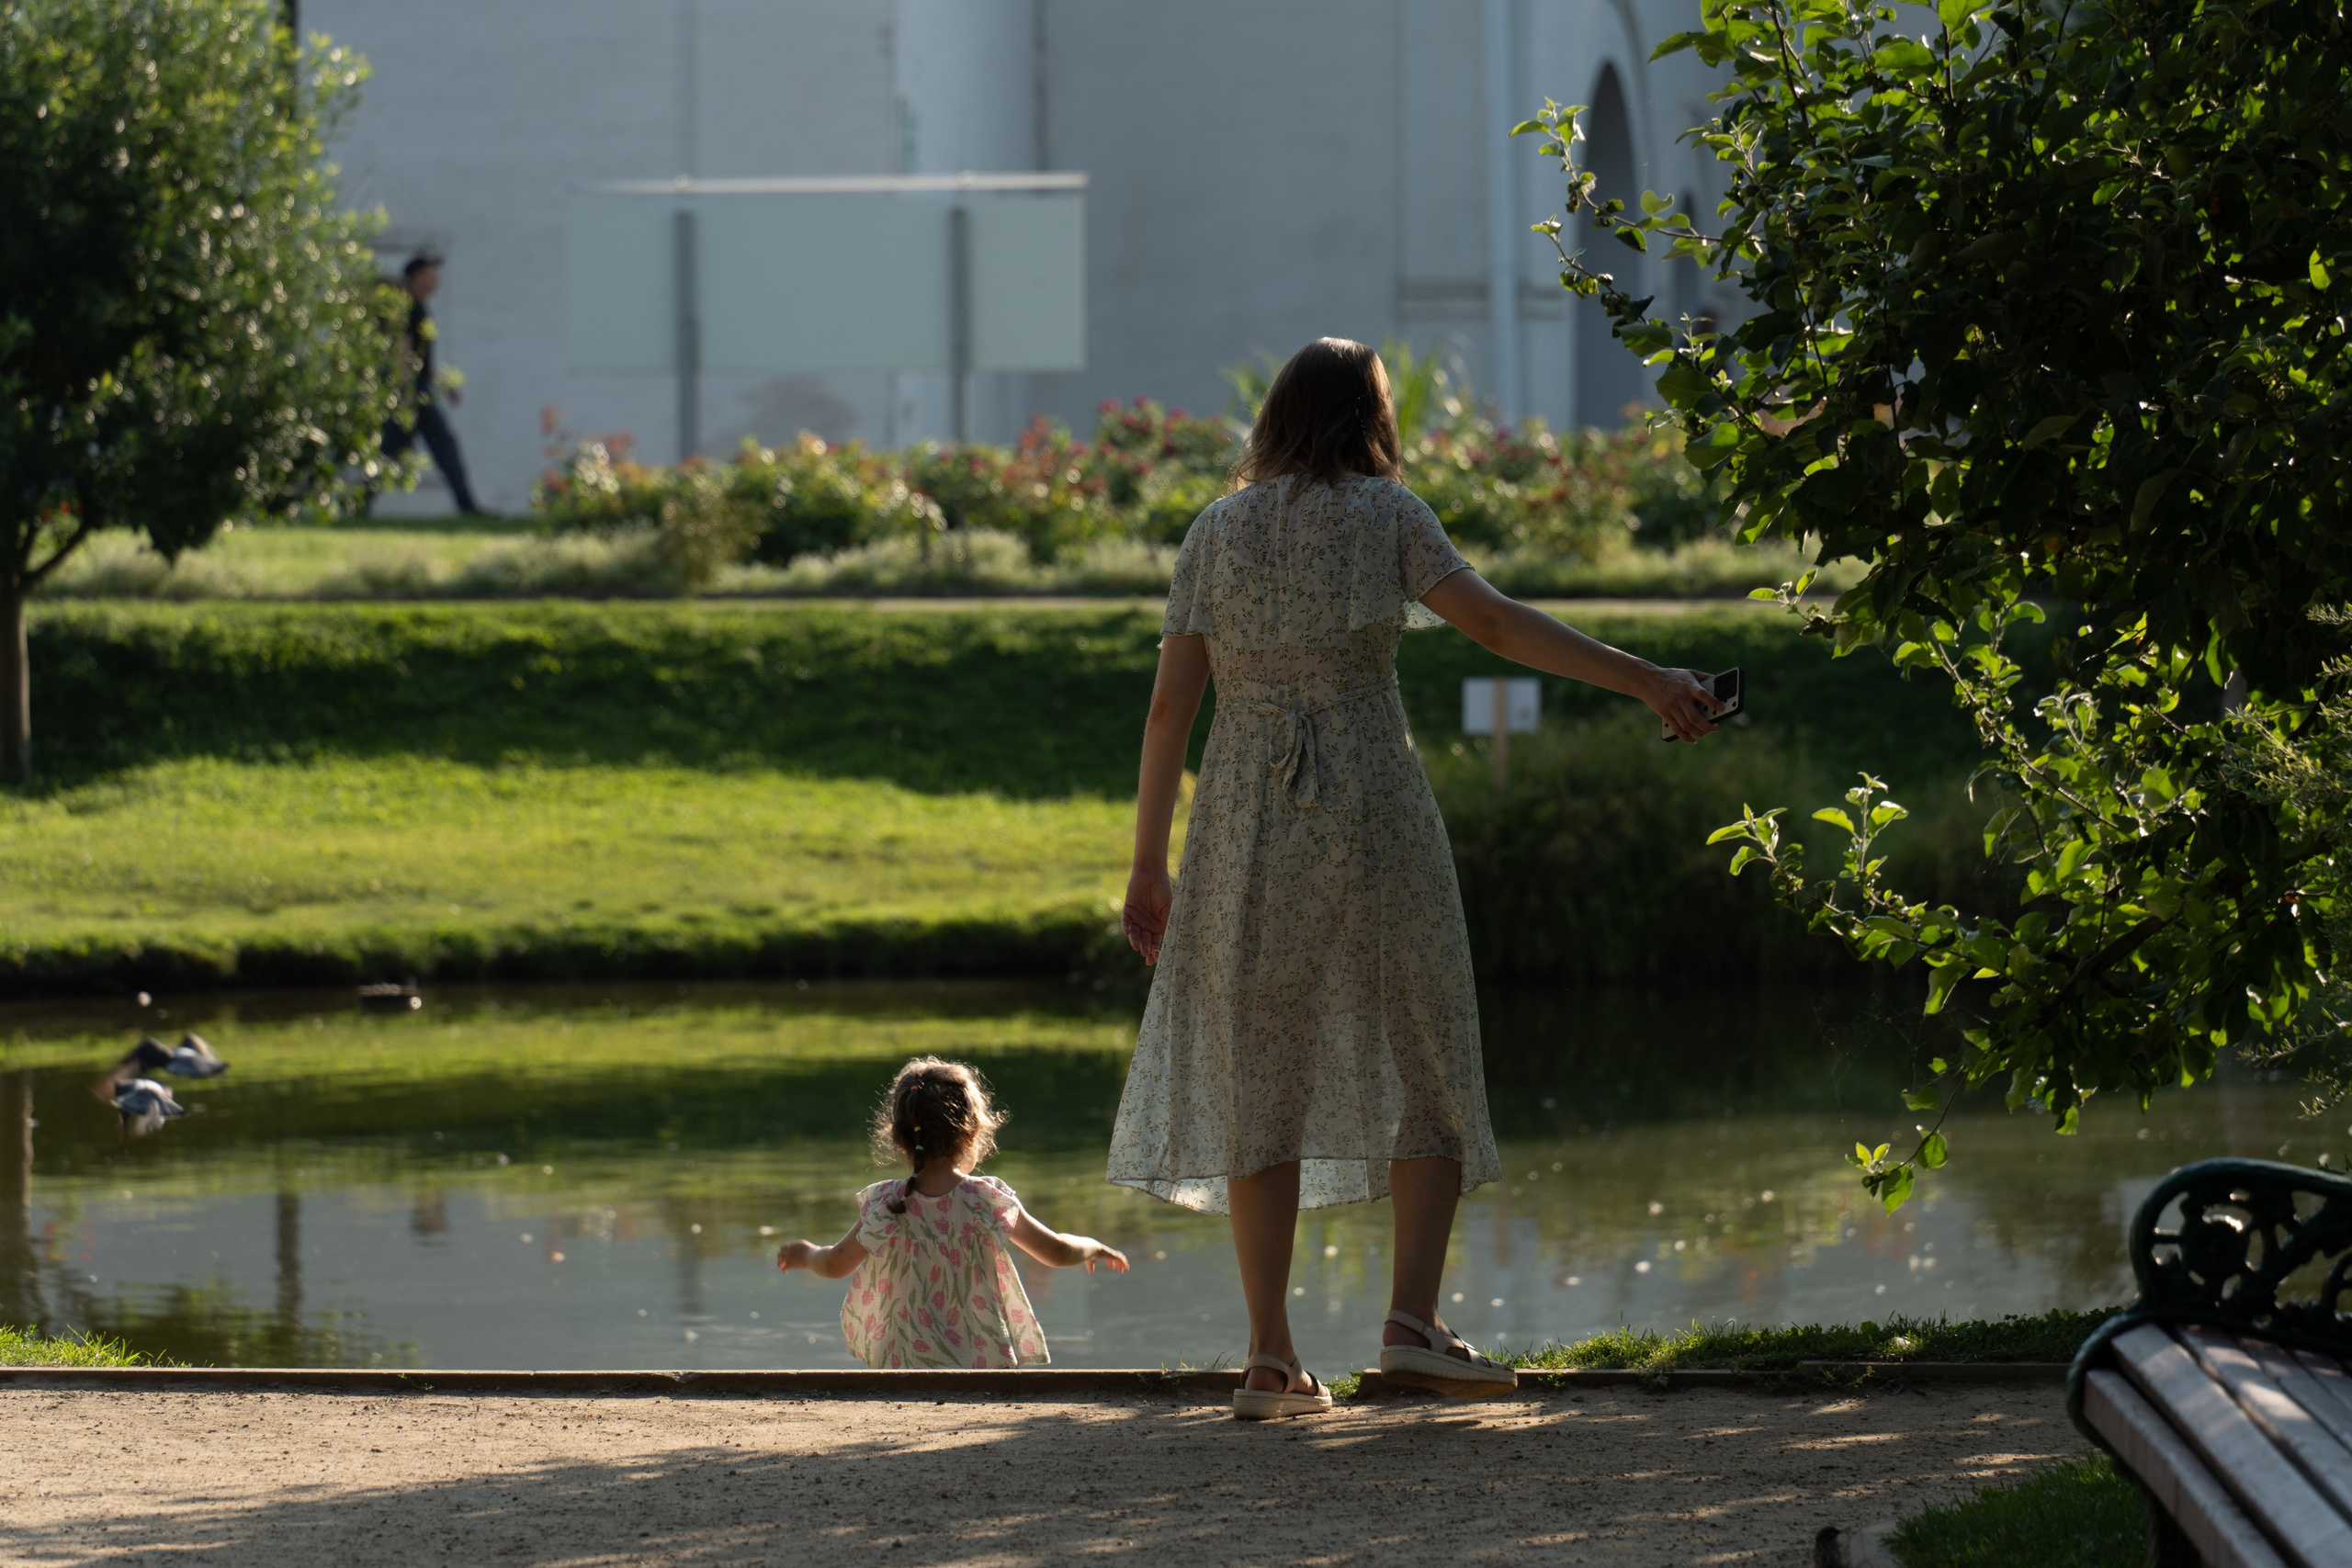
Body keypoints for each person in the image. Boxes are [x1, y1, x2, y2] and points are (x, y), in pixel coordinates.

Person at [1108, 338, 1724, 1420]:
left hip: (1244, 817)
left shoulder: (1214, 529)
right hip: (1368, 808)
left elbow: (1170, 707)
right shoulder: (1387, 515)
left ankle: (1266, 1360)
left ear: (1275, 416)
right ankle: (1412, 1326)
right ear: (1369, 416)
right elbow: (1490, 621)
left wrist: (1149, 862)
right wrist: (1645, 680)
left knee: (1262, 1068)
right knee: (1425, 1039)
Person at [775, 1056, 1129, 1369]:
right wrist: (1092, 1244)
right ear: (974, 1132)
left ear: (899, 1139)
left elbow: (836, 1264)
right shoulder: (985, 1199)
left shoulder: (886, 1202)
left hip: (902, 1363)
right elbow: (1057, 1252)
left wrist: (805, 1254)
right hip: (980, 1361)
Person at [378, 252, 484, 515]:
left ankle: (358, 503)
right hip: (413, 394)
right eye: (430, 274)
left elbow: (421, 359)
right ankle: (467, 506)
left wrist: (445, 385)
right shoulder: (409, 308)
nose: (435, 280)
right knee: (441, 447)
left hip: (418, 390)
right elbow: (403, 351)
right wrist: (405, 391)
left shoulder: (422, 309)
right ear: (415, 277)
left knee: (393, 451)